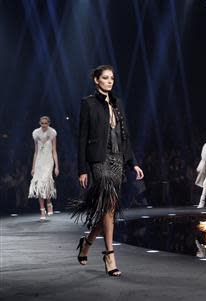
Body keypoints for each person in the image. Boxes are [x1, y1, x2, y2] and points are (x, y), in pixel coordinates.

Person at [71, 65, 144, 277]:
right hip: (98, 160)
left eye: (112, 78)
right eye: (105, 78)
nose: (110, 81)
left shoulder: (117, 102)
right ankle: (109, 255)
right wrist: (82, 169)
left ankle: (88, 242)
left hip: (117, 160)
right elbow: (82, 137)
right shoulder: (88, 103)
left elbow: (125, 136)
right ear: (96, 80)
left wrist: (134, 163)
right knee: (109, 206)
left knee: (108, 208)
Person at [28, 116, 59, 221]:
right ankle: (42, 209)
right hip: (39, 161)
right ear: (39, 123)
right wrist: (33, 167)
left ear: (49, 123)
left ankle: (49, 202)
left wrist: (56, 166)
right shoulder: (36, 133)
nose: (44, 125)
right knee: (40, 185)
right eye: (42, 123)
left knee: (46, 182)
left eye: (46, 123)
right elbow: (35, 152)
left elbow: (54, 150)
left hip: (49, 161)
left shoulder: (52, 133)